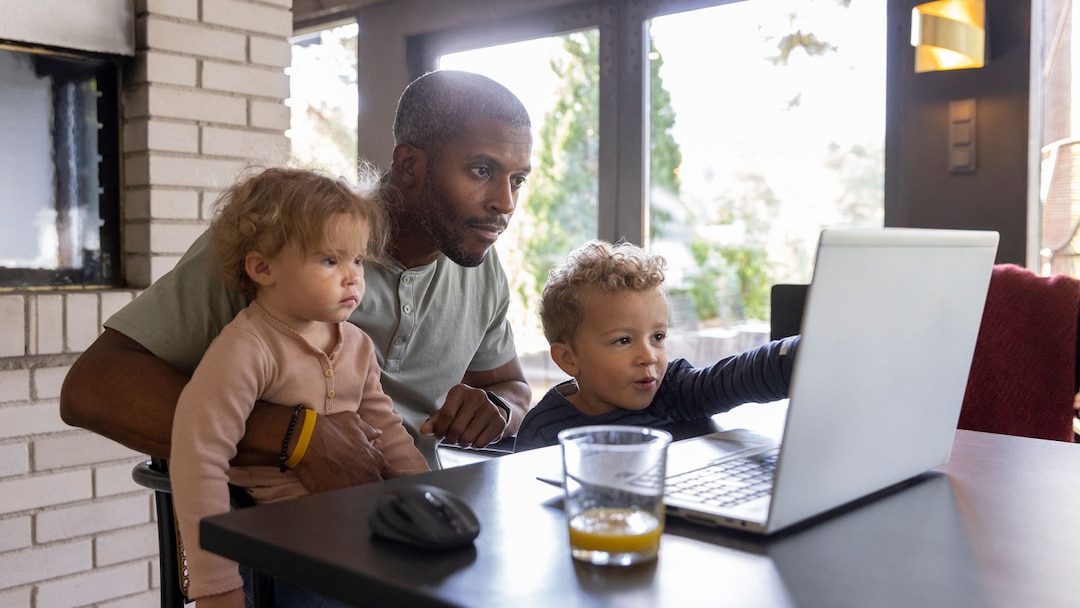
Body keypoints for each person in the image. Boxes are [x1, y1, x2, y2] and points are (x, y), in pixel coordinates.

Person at [59, 69, 533, 485]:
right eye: (481, 170)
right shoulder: (282, 238)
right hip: (278, 533)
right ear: (410, 165)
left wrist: (499, 409)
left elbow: (511, 385)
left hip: (412, 516)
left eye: (517, 180)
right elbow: (93, 387)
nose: (505, 203)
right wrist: (295, 437)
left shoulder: (481, 269)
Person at [169, 166, 428, 608]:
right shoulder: (245, 350)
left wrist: (428, 503)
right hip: (280, 549)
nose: (353, 277)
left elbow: (388, 432)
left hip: (354, 534)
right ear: (263, 267)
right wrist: (217, 586)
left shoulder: (357, 345)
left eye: (358, 260)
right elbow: (198, 459)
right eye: (330, 260)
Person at [513, 240, 799, 452]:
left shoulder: (673, 392)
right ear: (569, 358)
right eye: (623, 340)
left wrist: (804, 356)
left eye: (658, 337)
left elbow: (739, 376)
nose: (648, 357)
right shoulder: (544, 430)